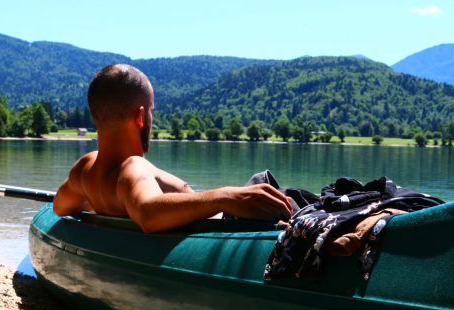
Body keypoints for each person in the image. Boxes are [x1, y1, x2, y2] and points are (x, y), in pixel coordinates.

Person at [53, 64, 293, 233]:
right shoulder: (133, 167)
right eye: (151, 110)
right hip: (229, 226)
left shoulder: (85, 169)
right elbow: (147, 213)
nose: (151, 117)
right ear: (140, 116)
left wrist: (94, 205)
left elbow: (60, 206)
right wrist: (224, 196)